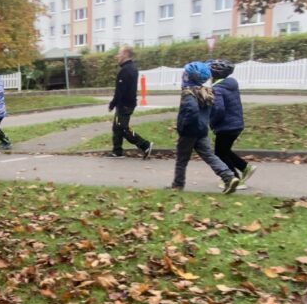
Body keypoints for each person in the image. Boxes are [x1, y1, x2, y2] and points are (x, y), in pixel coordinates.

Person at [168, 62, 240, 194]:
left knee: (181, 159)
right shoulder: (205, 92)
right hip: (202, 131)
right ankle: (229, 177)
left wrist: (183, 127)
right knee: (209, 156)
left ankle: (177, 185)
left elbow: (192, 110)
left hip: (189, 132)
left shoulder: (188, 93)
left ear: (189, 77)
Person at [208, 59, 256, 189]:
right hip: (236, 124)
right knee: (225, 150)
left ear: (214, 75)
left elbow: (219, 109)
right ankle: (245, 167)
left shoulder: (216, 89)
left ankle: (234, 179)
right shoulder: (230, 84)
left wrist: (212, 123)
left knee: (220, 153)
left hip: (226, 126)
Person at [108, 46, 152, 159]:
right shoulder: (132, 68)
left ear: (125, 54)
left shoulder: (125, 70)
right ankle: (117, 151)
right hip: (129, 103)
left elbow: (120, 91)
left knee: (123, 129)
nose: (117, 56)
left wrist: (112, 104)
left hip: (124, 105)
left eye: (119, 53)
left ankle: (145, 145)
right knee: (117, 127)